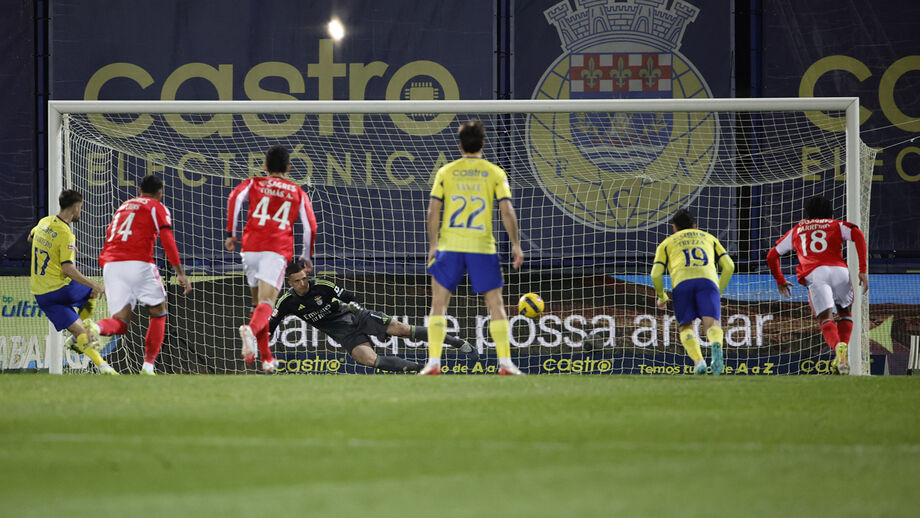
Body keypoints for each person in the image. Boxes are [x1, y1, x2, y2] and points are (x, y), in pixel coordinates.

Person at [420, 119, 525, 376]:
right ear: (483, 144)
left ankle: (433, 362)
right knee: (495, 304)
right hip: (482, 246)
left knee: (438, 305)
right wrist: (516, 245)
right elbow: (507, 211)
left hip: (450, 246)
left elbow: (433, 211)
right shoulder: (495, 172)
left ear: (460, 145)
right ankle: (505, 364)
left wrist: (433, 246)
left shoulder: (446, 171)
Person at [269, 262, 476, 373]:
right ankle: (423, 370)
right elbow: (272, 323)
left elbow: (348, 296)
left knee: (402, 330)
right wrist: (257, 340)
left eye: (305, 278)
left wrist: (355, 307)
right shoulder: (287, 302)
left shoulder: (322, 286)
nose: (303, 283)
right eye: (298, 281)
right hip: (344, 334)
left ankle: (459, 343)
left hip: (358, 317)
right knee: (369, 360)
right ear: (290, 283)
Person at [226, 144, 317, 372]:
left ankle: (266, 358)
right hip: (275, 250)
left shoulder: (254, 183)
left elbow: (234, 198)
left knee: (257, 303)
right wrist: (306, 255)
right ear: (288, 167)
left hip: (250, 248)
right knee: (268, 303)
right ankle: (250, 331)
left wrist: (231, 233)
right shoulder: (296, 191)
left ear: (265, 166)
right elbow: (310, 227)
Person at [93, 175, 192, 375]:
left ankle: (92, 330)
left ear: (139, 190)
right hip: (138, 262)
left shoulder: (124, 206)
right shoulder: (157, 207)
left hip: (111, 264)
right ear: (159, 193)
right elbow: (167, 240)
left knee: (120, 323)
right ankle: (148, 366)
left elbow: (109, 232)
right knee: (159, 309)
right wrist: (180, 272)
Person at [766, 195, 868, 375]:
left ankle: (838, 350)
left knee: (826, 319)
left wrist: (780, 280)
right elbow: (857, 234)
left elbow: (771, 256)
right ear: (829, 211)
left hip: (816, 273)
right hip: (840, 271)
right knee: (845, 313)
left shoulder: (798, 229)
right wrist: (862, 269)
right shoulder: (836, 224)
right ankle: (842, 352)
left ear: (807, 212)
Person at [28, 190, 116, 375]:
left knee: (80, 331)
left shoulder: (44, 222)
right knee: (92, 291)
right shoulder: (65, 233)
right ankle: (84, 336)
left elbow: (31, 238)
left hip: (41, 294)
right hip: (60, 289)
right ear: (76, 207)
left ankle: (104, 367)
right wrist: (95, 285)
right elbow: (68, 269)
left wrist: (55, 248)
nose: (81, 212)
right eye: (81, 208)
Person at [651, 209, 735, 375]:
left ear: (674, 228)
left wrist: (662, 296)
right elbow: (729, 266)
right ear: (695, 226)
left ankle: (699, 361)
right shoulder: (709, 238)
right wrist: (718, 291)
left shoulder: (666, 243)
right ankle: (716, 344)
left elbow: (655, 274)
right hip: (707, 282)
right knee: (711, 325)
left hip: (682, 284)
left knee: (686, 327)